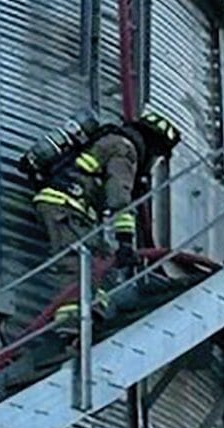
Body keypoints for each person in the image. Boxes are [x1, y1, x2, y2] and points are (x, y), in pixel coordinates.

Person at [22, 109, 182, 323]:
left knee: (102, 266)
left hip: (73, 209)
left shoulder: (112, 140)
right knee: (76, 266)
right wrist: (125, 241)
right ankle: (73, 328)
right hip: (66, 206)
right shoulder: (125, 149)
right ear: (155, 144)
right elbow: (119, 194)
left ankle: (94, 318)